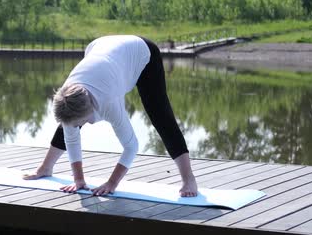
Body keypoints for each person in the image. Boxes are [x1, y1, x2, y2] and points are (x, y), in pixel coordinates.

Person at [23, 35, 198, 197]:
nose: (89, 124)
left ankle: (189, 179)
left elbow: (131, 147)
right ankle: (46, 167)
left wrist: (112, 183)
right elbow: (71, 135)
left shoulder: (110, 102)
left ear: (94, 106)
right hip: (100, 49)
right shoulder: (68, 94)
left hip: (143, 54)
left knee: (160, 115)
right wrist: (78, 180)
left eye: (85, 121)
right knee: (69, 119)